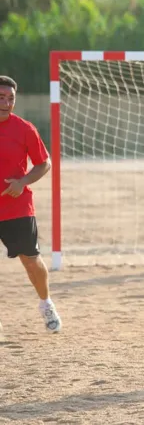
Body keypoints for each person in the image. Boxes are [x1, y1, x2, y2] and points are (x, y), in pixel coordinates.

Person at [0, 75, 62, 333]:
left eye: (10, 98)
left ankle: (46, 305)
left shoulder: (24, 129)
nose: (6, 102)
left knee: (30, 259)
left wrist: (23, 182)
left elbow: (44, 162)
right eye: (1, 97)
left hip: (16, 207)